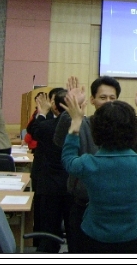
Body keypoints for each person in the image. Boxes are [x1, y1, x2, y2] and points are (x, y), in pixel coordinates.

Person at [61, 84, 137, 253]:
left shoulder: (87, 164)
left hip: (95, 238)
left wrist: (76, 122)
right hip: (133, 237)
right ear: (133, 130)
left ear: (95, 131)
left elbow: (68, 158)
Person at [53, 75, 124, 253]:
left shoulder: (125, 129)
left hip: (116, 207)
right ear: (92, 100)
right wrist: (72, 112)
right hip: (83, 204)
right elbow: (60, 140)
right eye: (103, 97)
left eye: (112, 98)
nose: (108, 102)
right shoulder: (84, 124)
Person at [27, 89, 71, 253]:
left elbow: (33, 130)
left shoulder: (46, 126)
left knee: (48, 229)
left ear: (55, 107)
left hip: (50, 184)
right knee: (74, 230)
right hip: (72, 184)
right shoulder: (83, 125)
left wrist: (41, 113)